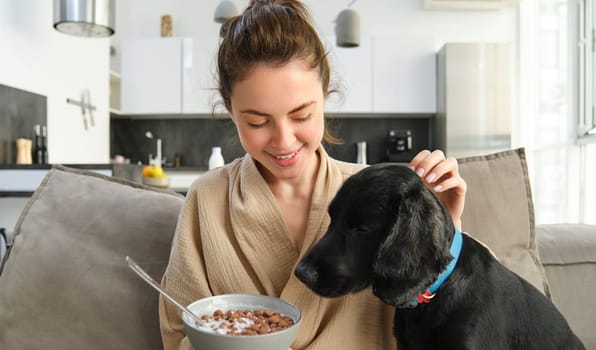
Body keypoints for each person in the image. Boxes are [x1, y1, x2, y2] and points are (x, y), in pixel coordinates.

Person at [159, 1, 467, 349]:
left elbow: (455, 320)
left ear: (325, 94)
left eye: (302, 115)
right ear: (230, 109)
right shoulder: (208, 199)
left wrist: (442, 228)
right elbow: (179, 332)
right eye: (257, 122)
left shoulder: (378, 199)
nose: (283, 140)